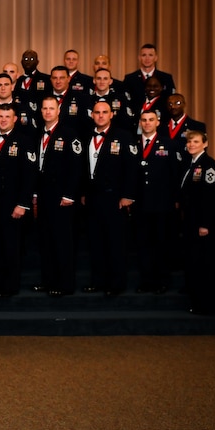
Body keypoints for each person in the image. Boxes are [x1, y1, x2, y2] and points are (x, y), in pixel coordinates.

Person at [0, 104, 37, 297]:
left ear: (15, 119)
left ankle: (10, 286)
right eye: (1, 116)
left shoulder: (24, 141)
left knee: (10, 246)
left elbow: (29, 176)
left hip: (12, 203)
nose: (3, 120)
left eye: (7, 116)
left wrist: (22, 203)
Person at [82, 100, 138, 296]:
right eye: (97, 112)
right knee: (96, 243)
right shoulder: (87, 135)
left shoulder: (123, 136)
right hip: (93, 198)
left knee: (115, 243)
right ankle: (98, 282)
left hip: (115, 199)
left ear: (111, 114)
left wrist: (127, 196)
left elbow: (132, 168)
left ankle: (116, 284)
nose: (100, 116)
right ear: (92, 115)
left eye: (104, 112)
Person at [35, 96, 83, 296]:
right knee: (46, 242)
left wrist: (70, 195)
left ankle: (65, 285)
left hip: (62, 198)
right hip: (44, 197)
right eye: (44, 108)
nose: (47, 112)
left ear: (58, 110)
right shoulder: (38, 134)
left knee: (62, 242)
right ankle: (48, 281)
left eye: (51, 108)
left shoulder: (69, 134)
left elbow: (76, 168)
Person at [179, 131, 215, 314]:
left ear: (205, 144)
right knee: (196, 262)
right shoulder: (191, 163)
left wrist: (205, 224)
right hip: (191, 221)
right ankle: (199, 302)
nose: (191, 144)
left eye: (196, 141)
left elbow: (208, 198)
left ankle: (210, 305)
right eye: (189, 142)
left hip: (204, 223)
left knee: (207, 264)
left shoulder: (209, 165)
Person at [134, 109, 182, 294]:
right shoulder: (133, 144)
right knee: (143, 245)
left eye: (150, 120)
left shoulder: (169, 144)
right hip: (141, 204)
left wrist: (176, 199)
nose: (147, 123)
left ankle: (163, 281)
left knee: (162, 243)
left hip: (162, 204)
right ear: (140, 122)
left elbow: (175, 174)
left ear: (158, 122)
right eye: (144, 120)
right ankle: (146, 281)